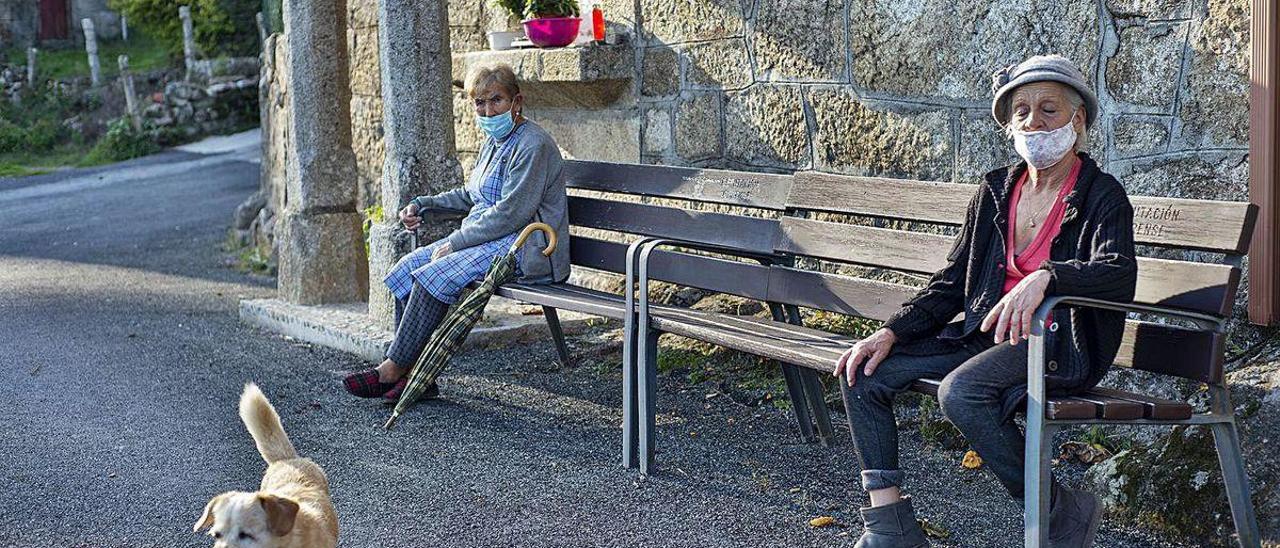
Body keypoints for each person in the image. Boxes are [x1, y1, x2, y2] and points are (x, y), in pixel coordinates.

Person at [832, 55, 1137, 548]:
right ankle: (890, 528)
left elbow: (1118, 273)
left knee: (961, 393)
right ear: (1009, 122)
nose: (1034, 122)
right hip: (984, 336)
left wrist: (1048, 277)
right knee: (863, 370)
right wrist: (891, 332)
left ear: (1078, 120)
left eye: (1049, 110)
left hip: (1058, 345)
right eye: (1022, 111)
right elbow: (954, 281)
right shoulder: (996, 188)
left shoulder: (1103, 194)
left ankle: (1057, 510)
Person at [342, 63, 570, 402]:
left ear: (516, 101)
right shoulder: (494, 141)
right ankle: (418, 375)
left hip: (528, 245)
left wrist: (455, 241)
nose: (488, 111)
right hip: (491, 239)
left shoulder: (532, 144)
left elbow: (511, 213)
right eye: (479, 103)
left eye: (497, 101)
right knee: (407, 268)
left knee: (433, 274)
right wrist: (424, 204)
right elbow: (472, 196)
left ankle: (391, 370)